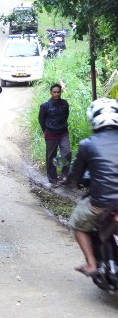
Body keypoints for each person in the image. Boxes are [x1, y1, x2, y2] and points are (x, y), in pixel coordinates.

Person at [68, 98, 118, 276]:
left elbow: (75, 176)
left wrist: (73, 182)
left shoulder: (87, 144)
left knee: (77, 223)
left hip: (102, 205)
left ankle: (90, 263)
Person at [38, 83, 72, 188]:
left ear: (61, 92)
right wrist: (45, 131)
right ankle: (53, 180)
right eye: (54, 92)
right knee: (51, 157)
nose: (56, 94)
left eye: (58, 92)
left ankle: (64, 175)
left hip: (63, 133)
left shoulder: (65, 104)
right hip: (50, 134)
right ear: (51, 93)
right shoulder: (45, 105)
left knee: (67, 152)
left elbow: (66, 116)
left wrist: (62, 127)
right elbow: (41, 119)